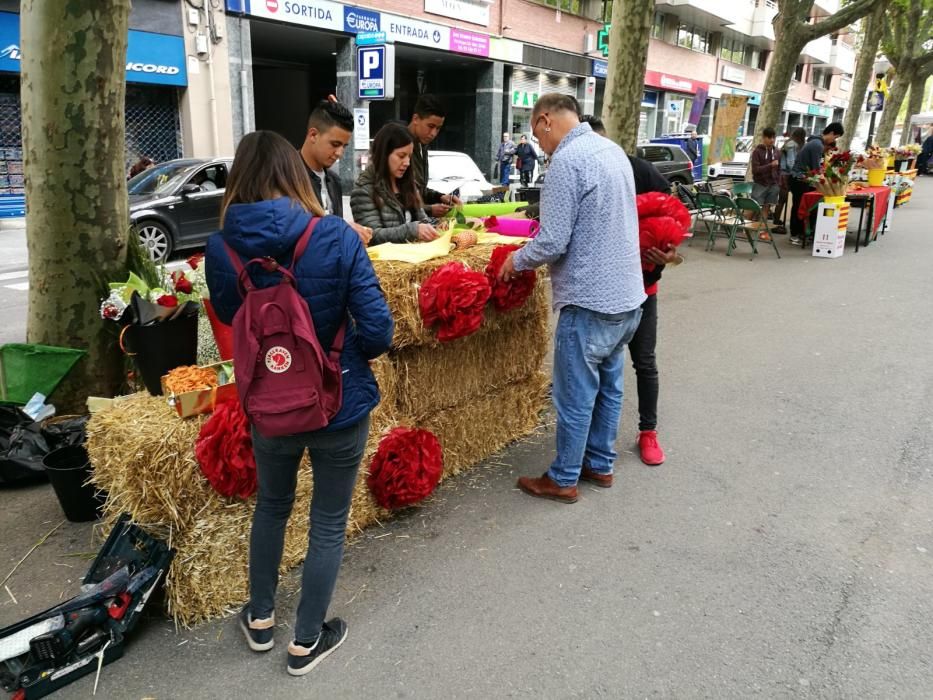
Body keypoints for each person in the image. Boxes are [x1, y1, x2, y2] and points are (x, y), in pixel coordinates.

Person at [204, 130, 393, 676]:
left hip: (269, 402)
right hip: (340, 402)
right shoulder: (335, 236)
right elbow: (378, 329)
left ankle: (260, 620)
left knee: (272, 507)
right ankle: (306, 641)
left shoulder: (222, 246)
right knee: (328, 522)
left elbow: (225, 308)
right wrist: (343, 352)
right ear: (293, 175)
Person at [498, 94, 645, 503]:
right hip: (627, 299)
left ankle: (563, 477)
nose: (540, 145)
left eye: (536, 134)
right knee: (609, 386)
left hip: (590, 300)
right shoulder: (611, 150)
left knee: (576, 394)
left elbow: (552, 242)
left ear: (545, 121)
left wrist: (516, 259)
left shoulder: (567, 160)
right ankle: (600, 464)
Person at [584, 114, 678, 467]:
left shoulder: (638, 170)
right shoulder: (583, 174)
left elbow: (675, 218)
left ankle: (648, 431)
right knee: (600, 364)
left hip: (644, 288)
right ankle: (595, 436)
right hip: (601, 292)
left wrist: (668, 252)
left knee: (645, 362)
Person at [350, 123, 440, 245]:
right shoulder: (364, 189)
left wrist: (448, 224)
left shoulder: (408, 184)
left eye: (409, 157)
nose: (407, 163)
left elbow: (423, 221)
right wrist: (412, 230)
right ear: (384, 154)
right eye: (401, 156)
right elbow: (372, 235)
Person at [299, 98, 372, 245]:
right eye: (335, 144)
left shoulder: (334, 180)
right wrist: (342, 229)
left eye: (344, 146)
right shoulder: (286, 174)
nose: (340, 153)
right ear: (313, 135)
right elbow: (291, 233)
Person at [789, 122, 844, 246]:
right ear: (831, 133)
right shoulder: (817, 145)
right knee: (799, 206)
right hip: (799, 179)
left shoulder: (815, 142)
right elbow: (816, 169)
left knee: (800, 206)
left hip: (801, 178)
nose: (833, 140)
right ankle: (794, 234)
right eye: (835, 137)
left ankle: (801, 233)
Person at [407, 94, 461, 218]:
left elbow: (418, 189)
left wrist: (440, 196)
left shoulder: (422, 146)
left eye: (438, 128)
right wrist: (428, 209)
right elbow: (397, 196)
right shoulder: (398, 144)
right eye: (430, 126)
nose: (433, 133)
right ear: (416, 119)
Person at [750, 127, 781, 239]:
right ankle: (745, 227)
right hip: (760, 183)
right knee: (754, 207)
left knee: (766, 208)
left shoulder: (777, 151)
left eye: (773, 137)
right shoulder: (757, 152)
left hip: (773, 184)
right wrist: (770, 165)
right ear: (763, 138)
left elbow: (779, 168)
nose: (772, 140)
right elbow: (755, 170)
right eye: (769, 137)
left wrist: (778, 182)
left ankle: (762, 231)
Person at [773, 127, 806, 230]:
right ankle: (776, 222)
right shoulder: (792, 145)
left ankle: (776, 221)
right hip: (786, 174)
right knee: (782, 199)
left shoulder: (789, 143)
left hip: (783, 173)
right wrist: (798, 172)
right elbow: (790, 162)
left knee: (782, 199)